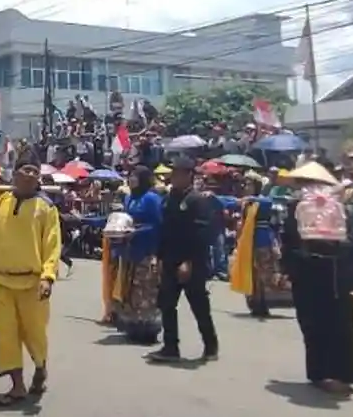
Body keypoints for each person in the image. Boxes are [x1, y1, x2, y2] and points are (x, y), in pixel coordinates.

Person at [0, 163, 60, 406]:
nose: (30, 174)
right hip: (2, 280)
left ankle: (40, 367)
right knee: (6, 336)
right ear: (15, 175)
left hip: (32, 282)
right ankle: (17, 386)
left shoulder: (46, 207)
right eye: (26, 170)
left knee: (34, 334)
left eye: (35, 171)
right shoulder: (1, 200)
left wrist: (47, 277)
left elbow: (52, 245)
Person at [281, 177, 353, 394]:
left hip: (315, 270)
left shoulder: (300, 206)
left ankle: (324, 373)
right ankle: (334, 374)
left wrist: (288, 267)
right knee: (335, 323)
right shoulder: (333, 205)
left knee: (317, 323)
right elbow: (351, 239)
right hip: (331, 270)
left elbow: (289, 240)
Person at [147, 156, 219, 363]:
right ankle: (171, 347)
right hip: (170, 259)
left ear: (189, 175)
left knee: (199, 305)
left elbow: (202, 234)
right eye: (173, 173)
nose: (174, 177)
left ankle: (210, 345)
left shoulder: (198, 200)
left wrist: (189, 261)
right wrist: (158, 257)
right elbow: (165, 230)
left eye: (178, 173)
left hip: (191, 262)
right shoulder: (170, 198)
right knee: (167, 304)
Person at [114, 166, 163, 344]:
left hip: (147, 250)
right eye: (130, 175)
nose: (131, 179)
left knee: (146, 291)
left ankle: (149, 330)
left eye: (135, 176)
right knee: (131, 291)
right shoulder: (129, 198)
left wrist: (137, 232)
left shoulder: (151, 198)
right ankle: (133, 327)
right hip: (129, 251)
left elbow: (158, 225)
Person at [230, 186, 289, 317]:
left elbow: (269, 201)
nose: (246, 187)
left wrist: (252, 198)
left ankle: (261, 303)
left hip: (262, 241)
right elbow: (229, 201)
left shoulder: (262, 203)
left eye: (249, 184)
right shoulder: (247, 203)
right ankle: (257, 303)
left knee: (263, 275)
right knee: (255, 274)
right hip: (251, 241)